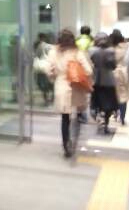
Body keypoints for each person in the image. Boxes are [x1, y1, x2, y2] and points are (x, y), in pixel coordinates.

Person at [46, 29, 93, 158]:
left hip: (61, 86)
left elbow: (49, 71)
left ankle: (66, 144)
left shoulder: (53, 52)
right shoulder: (77, 52)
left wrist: (54, 76)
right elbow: (88, 70)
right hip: (75, 86)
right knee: (76, 114)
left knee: (65, 118)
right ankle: (73, 138)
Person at [89, 33, 118, 134]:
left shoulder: (92, 51)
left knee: (96, 102)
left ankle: (98, 116)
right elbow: (113, 66)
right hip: (108, 81)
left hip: (96, 80)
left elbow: (90, 63)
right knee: (109, 105)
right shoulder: (111, 51)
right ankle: (106, 123)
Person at [111, 29, 129, 125]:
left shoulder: (110, 48)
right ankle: (122, 117)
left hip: (112, 73)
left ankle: (115, 112)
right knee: (123, 95)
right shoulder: (127, 47)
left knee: (113, 95)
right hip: (124, 73)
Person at [33, 33, 54, 105]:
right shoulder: (52, 46)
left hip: (42, 68)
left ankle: (46, 100)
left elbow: (37, 56)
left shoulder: (40, 45)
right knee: (50, 84)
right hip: (49, 67)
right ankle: (51, 99)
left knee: (44, 85)